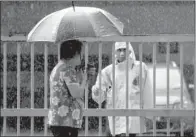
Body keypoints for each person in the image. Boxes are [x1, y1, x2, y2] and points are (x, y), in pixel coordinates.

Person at [91, 42, 153, 137]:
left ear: (130, 51)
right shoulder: (108, 72)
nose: (122, 53)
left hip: (134, 114)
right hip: (116, 114)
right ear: (114, 52)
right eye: (119, 50)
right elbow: (100, 97)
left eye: (124, 49)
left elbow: (147, 92)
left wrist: (149, 115)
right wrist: (96, 92)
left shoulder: (140, 68)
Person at [48, 39, 86, 137]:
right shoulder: (67, 69)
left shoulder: (58, 68)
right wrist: (85, 79)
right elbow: (77, 93)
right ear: (76, 54)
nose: (82, 57)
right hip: (66, 121)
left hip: (59, 119)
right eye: (81, 54)